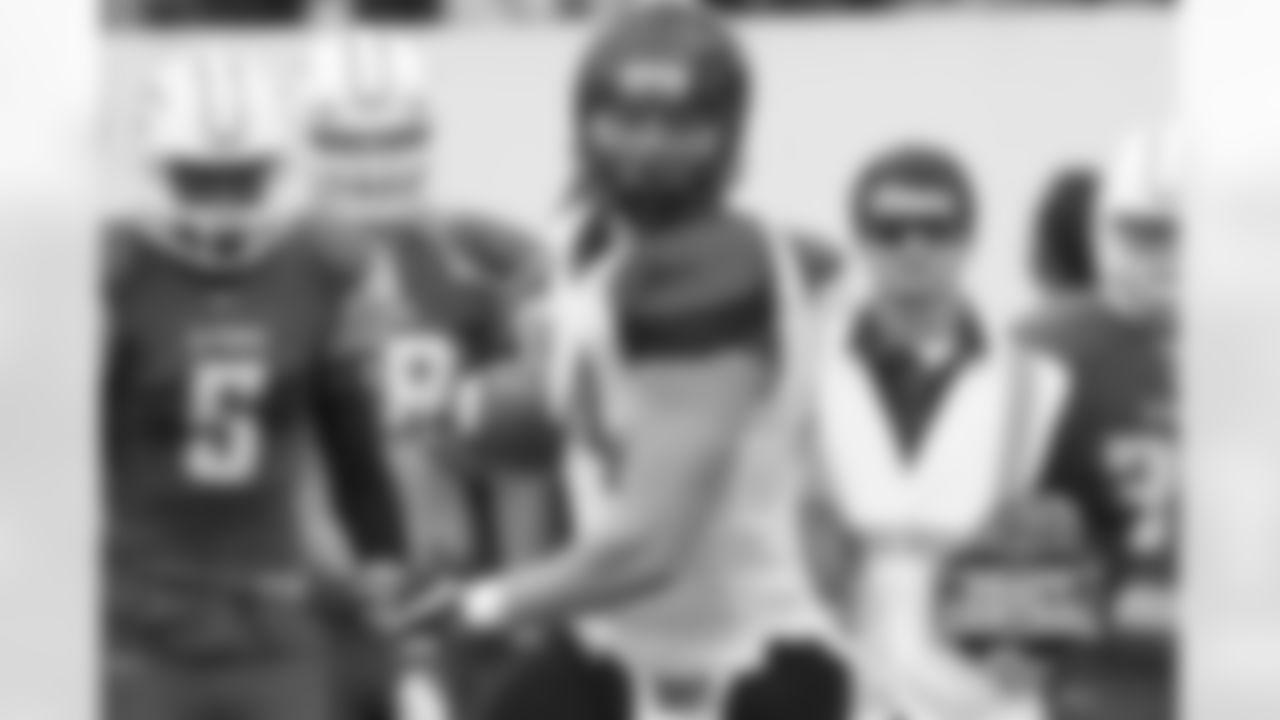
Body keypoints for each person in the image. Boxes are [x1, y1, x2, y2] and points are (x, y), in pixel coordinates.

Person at [389, 6, 850, 720]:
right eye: (627, 121)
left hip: (743, 666)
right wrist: (489, 412)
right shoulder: (585, 245)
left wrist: (481, 604)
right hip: (608, 647)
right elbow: (585, 405)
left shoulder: (713, 268)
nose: (650, 149)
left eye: (681, 125)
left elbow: (649, 548)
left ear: (729, 134)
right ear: (584, 124)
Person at [102, 54, 406, 720]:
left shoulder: (322, 265)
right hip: (143, 617)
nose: (222, 204)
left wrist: (383, 558)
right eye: (199, 179)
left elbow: (350, 436)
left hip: (271, 614)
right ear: (159, 170)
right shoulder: (115, 272)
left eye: (242, 179)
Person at [301, 30, 555, 720]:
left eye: (391, 138)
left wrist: (521, 602)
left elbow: (524, 457)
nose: (371, 162)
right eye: (349, 141)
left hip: (446, 583)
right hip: (310, 599)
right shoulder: (269, 269)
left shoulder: (479, 257)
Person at [806, 143, 1076, 720]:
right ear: (859, 238)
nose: (914, 246)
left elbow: (1079, 542)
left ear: (970, 238)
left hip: (982, 681)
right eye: (889, 229)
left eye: (937, 228)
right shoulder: (799, 371)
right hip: (836, 660)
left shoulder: (1040, 383)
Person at [1025, 125, 1179, 720]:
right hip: (1095, 683)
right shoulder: (1048, 351)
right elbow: (986, 558)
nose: (1170, 254)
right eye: (1147, 232)